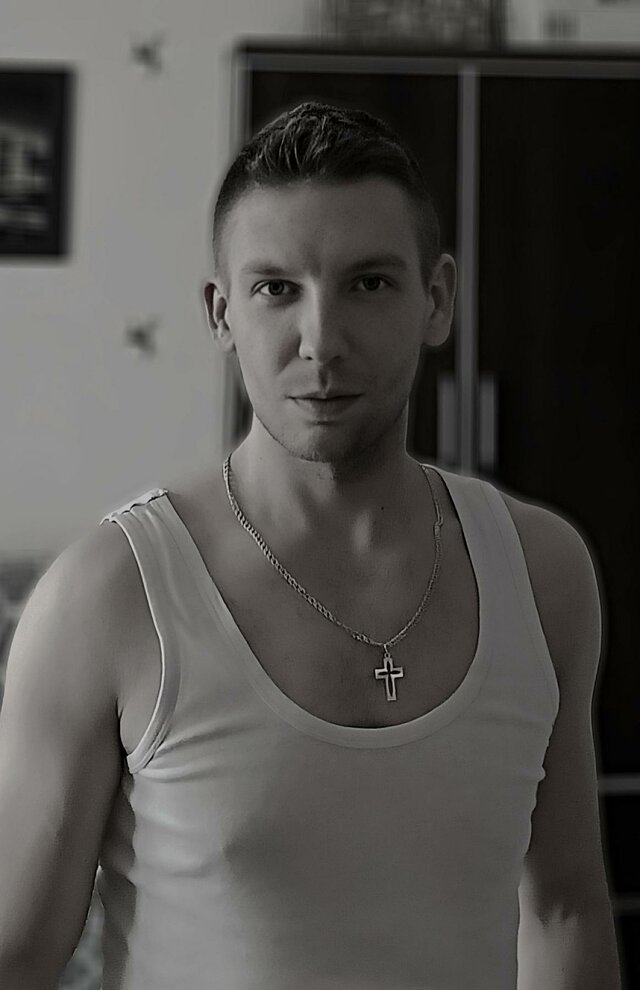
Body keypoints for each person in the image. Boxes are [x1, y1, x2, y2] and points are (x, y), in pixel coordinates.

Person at [0, 101, 621, 989]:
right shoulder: (107, 596)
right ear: (221, 314)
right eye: (276, 289)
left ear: (437, 299)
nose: (321, 342)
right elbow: (16, 957)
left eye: (367, 284)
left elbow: (564, 908)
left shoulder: (544, 574)